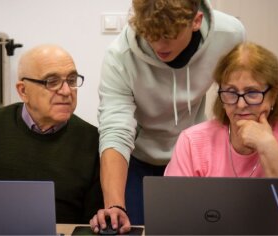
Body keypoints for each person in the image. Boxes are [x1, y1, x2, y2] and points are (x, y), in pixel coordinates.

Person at [91, 0, 245, 233]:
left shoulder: (230, 35)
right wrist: (114, 205)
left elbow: (238, 94)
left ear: (196, 21)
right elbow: (115, 130)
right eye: (149, 34)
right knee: (134, 228)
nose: (157, 44)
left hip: (195, 156)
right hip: (139, 158)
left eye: (168, 35)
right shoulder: (119, 56)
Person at [165, 42, 278, 229]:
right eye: (230, 92)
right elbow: (174, 213)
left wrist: (269, 148)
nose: (241, 104)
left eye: (252, 93)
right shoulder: (192, 140)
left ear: (273, 95)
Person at [0, 44, 103, 224]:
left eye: (72, 80)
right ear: (23, 91)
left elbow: (91, 224)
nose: (66, 91)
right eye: (52, 81)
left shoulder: (92, 140)